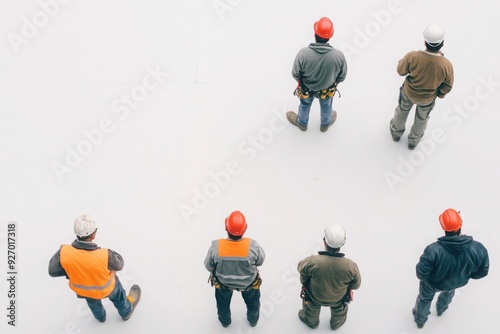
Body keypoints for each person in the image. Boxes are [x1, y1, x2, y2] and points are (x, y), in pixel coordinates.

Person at [48, 214, 141, 322]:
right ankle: (126, 312)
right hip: (108, 288)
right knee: (119, 298)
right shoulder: (104, 255)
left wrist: (70, 269)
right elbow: (119, 264)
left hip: (85, 291)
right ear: (93, 236)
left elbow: (52, 271)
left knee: (93, 303)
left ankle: (100, 317)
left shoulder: (64, 252)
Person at [412, 208, 489, 328]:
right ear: (461, 223)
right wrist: (465, 275)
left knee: (425, 300)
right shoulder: (478, 249)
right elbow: (483, 271)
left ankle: (420, 320)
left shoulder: (432, 250)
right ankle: (441, 309)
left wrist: (433, 278)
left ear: (443, 227)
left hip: (432, 284)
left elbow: (421, 274)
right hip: (456, 282)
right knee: (448, 292)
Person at [390, 23, 454, 149]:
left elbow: (400, 70)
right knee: (422, 118)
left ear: (425, 42)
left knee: (402, 111)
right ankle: (413, 141)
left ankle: (396, 133)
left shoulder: (413, 56)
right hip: (428, 98)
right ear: (442, 43)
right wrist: (439, 94)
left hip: (409, 93)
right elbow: (448, 85)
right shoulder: (446, 65)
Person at [204, 211, 265, 328]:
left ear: (226, 228)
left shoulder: (216, 247)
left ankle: (225, 322)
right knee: (253, 304)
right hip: (249, 283)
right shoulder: (253, 246)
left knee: (223, 304)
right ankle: (253, 321)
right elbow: (260, 261)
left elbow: (209, 266)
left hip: (223, 283)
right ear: (245, 229)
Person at [287, 17, 347, 132]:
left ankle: (302, 123)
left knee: (304, 105)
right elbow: (342, 76)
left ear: (315, 33)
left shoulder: (304, 53)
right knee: (326, 106)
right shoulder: (339, 56)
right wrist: (329, 81)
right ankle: (325, 124)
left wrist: (305, 83)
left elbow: (295, 73)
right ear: (330, 35)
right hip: (327, 90)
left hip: (306, 89)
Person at [297, 224, 361, 330]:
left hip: (314, 296)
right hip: (338, 299)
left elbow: (301, 269)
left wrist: (304, 282)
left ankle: (311, 321)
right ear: (343, 243)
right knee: (339, 312)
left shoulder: (312, 261)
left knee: (311, 309)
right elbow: (356, 285)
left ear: (324, 242)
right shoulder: (351, 266)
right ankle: (336, 324)